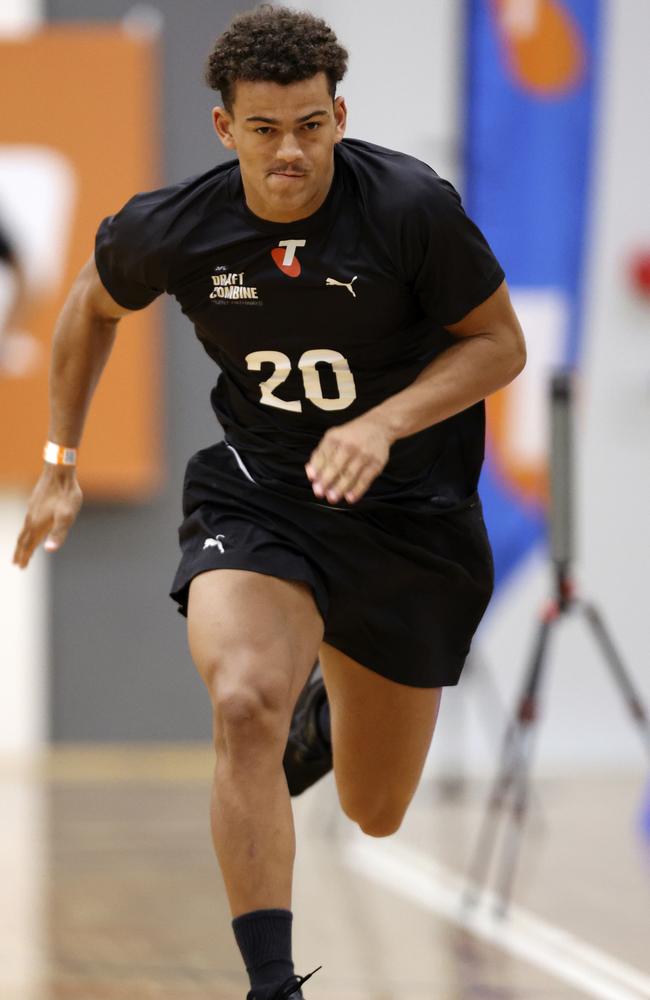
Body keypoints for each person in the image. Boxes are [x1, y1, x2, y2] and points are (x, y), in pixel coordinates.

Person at [13, 6, 526, 999]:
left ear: (338, 115)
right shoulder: (180, 225)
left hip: (406, 515)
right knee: (245, 700)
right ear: (224, 129)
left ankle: (331, 684)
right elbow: (87, 303)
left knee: (375, 810)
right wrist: (60, 456)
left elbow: (497, 343)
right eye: (263, 130)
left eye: (307, 125)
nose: (287, 151)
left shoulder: (410, 208)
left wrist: (384, 422)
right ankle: (270, 984)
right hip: (262, 495)